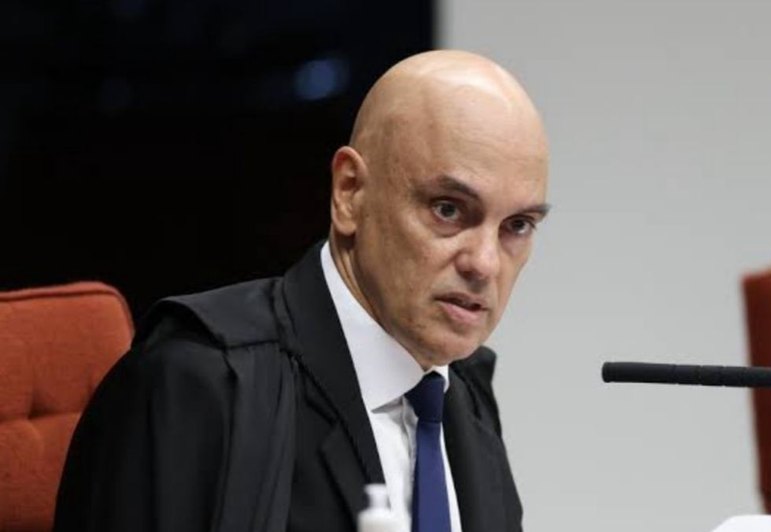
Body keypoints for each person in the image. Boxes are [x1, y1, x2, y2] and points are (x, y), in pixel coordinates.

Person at [54, 49, 550, 532]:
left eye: (518, 225)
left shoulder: (465, 395)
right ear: (350, 193)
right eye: (448, 209)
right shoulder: (198, 381)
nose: (484, 263)